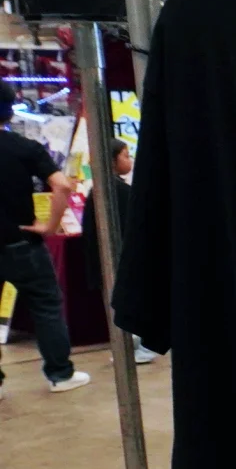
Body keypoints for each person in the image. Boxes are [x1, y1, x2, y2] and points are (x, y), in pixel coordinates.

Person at [0, 104, 89, 394]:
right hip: (22, 242)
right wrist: (50, 226)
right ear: (9, 112)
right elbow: (62, 185)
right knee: (46, 306)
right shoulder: (25, 147)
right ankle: (60, 374)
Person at [80, 138, 156, 364]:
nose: (129, 160)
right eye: (125, 155)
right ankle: (136, 346)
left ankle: (132, 345)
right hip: (120, 260)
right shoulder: (118, 191)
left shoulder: (102, 190)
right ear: (112, 161)